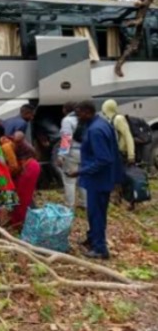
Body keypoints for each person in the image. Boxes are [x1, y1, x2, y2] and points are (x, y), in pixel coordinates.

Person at [67, 101, 123, 260]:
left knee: (96, 214)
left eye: (79, 114)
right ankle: (93, 238)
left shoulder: (96, 130)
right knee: (97, 213)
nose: (77, 117)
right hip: (102, 179)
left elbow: (104, 159)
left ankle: (100, 249)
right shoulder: (101, 123)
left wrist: (80, 171)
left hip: (98, 180)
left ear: (87, 112)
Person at [56, 102, 86, 208]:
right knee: (82, 178)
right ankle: (85, 203)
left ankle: (70, 206)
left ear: (65, 110)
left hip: (72, 153)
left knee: (69, 180)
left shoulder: (67, 120)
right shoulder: (83, 118)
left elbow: (66, 138)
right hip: (85, 152)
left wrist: (61, 155)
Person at [10, 131, 41, 229]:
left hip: (28, 169)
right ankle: (27, 218)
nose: (15, 142)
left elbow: (16, 166)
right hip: (32, 167)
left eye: (17, 141)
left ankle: (20, 222)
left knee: (22, 196)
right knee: (25, 196)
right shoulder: (25, 146)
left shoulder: (19, 147)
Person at [101, 99, 135, 165]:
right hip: (115, 153)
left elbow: (128, 136)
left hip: (122, 154)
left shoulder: (118, 119)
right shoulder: (111, 120)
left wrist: (131, 155)